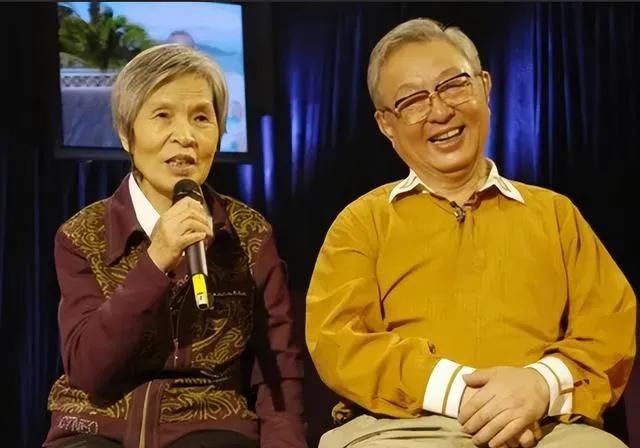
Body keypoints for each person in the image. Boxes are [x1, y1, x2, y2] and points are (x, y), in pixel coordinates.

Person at [305, 17, 636, 448]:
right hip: (403, 427)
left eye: (454, 85)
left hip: (546, 425)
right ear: (386, 124)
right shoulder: (361, 223)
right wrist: (463, 394)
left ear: (485, 86)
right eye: (413, 100)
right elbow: (340, 342)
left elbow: (610, 326)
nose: (441, 111)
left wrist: (540, 385)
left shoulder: (555, 215)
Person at [44, 44, 306, 448]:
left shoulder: (249, 235)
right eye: (162, 115)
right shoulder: (82, 235)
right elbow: (89, 370)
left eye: (201, 118)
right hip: (95, 427)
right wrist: (155, 262)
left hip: (209, 427)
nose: (185, 137)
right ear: (127, 134)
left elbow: (278, 371)